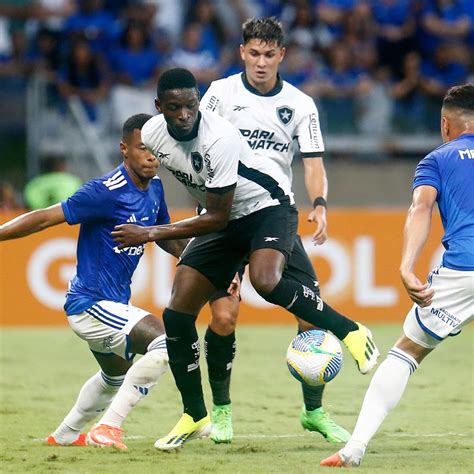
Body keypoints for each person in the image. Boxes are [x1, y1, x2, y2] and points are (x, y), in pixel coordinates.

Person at [112, 67, 380, 451]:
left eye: (191, 105)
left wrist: (151, 232)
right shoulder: (153, 134)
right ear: (160, 108)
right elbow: (198, 190)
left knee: (266, 280)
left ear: (199, 101)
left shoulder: (218, 136)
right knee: (177, 312)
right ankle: (196, 413)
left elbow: (218, 216)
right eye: (175, 108)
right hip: (221, 217)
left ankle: (351, 330)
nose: (185, 114)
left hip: (266, 209)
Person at [198, 17, 370, 445]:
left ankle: (314, 412)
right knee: (224, 316)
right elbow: (197, 153)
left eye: (269, 54)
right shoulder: (219, 94)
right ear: (242, 52)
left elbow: (313, 162)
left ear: (282, 55)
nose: (260, 62)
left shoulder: (301, 104)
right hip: (224, 219)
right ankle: (220, 414)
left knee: (309, 317)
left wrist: (321, 205)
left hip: (275, 216)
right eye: (253, 53)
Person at [0, 114, 186, 450]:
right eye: (142, 148)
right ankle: (109, 428)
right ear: (124, 150)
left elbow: (164, 237)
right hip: (91, 304)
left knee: (114, 375)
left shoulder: (156, 189)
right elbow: (45, 217)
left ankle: (65, 435)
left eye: (156, 149)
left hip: (113, 302)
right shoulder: (104, 191)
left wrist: (204, 266)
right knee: (167, 342)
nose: (151, 156)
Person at [320, 83, 474, 468]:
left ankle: (355, 447)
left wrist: (406, 265)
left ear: (445, 124)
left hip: (464, 268)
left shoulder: (437, 159)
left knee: (406, 352)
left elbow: (420, 210)